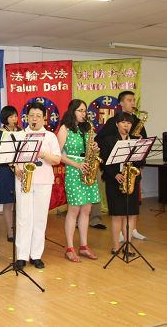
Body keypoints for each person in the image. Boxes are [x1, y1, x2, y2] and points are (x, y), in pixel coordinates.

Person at [14, 102, 61, 270]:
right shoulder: (19, 135)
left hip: (43, 180)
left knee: (40, 219)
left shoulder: (50, 137)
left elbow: (57, 159)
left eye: (38, 116)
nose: (34, 119)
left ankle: (36, 255)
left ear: (44, 118)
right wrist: (17, 169)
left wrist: (42, 153)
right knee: (23, 218)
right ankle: (21, 256)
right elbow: (12, 158)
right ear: (26, 117)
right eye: (31, 116)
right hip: (24, 180)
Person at [95, 90, 147, 240]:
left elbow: (143, 144)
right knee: (118, 209)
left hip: (131, 169)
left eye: (133, 100)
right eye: (129, 100)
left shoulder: (137, 121)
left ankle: (132, 230)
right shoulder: (113, 122)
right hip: (115, 171)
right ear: (121, 103)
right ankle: (118, 233)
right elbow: (102, 142)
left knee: (132, 207)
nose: (132, 103)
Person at [57, 100, 100, 262]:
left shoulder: (87, 129)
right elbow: (58, 154)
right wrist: (76, 164)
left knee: (86, 210)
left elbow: (90, 148)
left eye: (85, 111)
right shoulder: (64, 128)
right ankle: (69, 248)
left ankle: (83, 246)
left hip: (88, 169)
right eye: (80, 110)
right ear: (72, 111)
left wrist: (95, 148)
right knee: (74, 210)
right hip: (74, 171)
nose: (84, 113)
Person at [99, 113, 145, 255]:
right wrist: (115, 174)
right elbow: (104, 161)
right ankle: (115, 247)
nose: (126, 125)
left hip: (131, 180)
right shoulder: (108, 140)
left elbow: (141, 162)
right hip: (115, 181)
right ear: (117, 124)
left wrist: (141, 149)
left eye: (129, 123)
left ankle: (128, 246)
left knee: (131, 215)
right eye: (123, 122)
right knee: (117, 215)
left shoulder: (136, 140)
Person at [0, 106, 22, 243]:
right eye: (11, 116)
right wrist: (13, 166)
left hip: (21, 170)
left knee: (21, 201)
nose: (14, 119)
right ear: (5, 118)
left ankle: (21, 229)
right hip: (5, 170)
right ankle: (10, 232)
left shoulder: (21, 131)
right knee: (8, 203)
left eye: (15, 116)